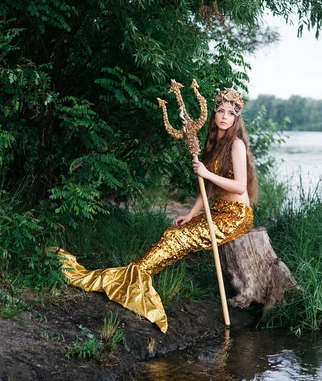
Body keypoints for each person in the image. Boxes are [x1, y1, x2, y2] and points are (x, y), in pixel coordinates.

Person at [54, 87, 258, 333]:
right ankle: (137, 272)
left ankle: (137, 274)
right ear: (214, 114)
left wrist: (205, 172)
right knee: (173, 232)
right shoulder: (214, 144)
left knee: (179, 238)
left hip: (236, 215)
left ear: (237, 118)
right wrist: (192, 213)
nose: (225, 116)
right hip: (217, 209)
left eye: (231, 113)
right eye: (221, 111)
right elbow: (209, 189)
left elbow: (238, 186)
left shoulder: (236, 144)